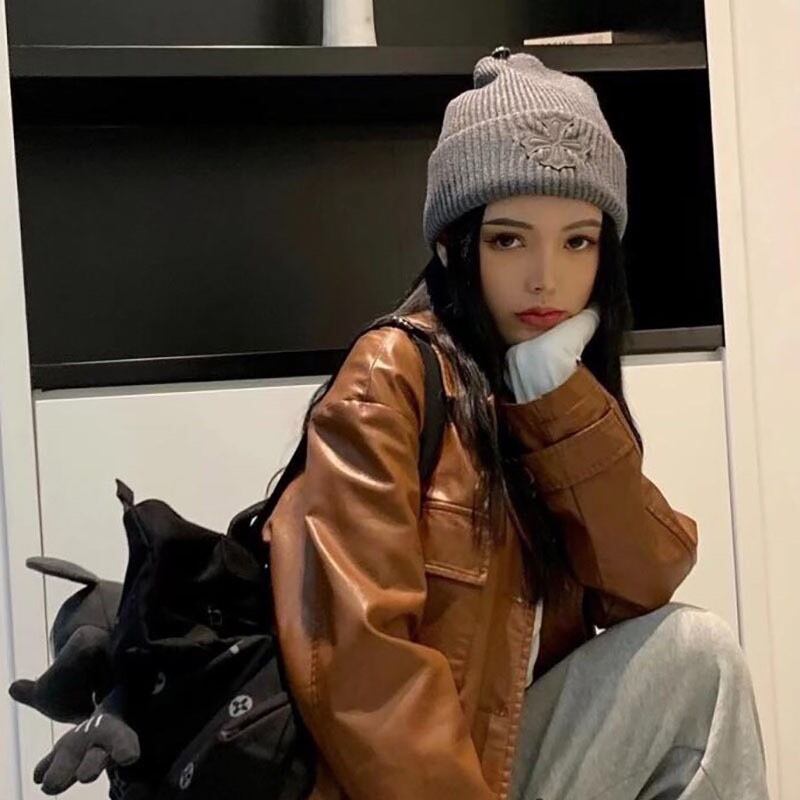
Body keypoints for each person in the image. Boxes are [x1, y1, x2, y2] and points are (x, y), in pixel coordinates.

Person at [263, 47, 769, 800]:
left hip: (509, 760)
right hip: (425, 785)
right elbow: (364, 677)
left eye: (578, 241)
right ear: (453, 245)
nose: (546, 277)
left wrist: (557, 403)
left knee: (699, 656)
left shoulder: (544, 387)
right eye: (509, 239)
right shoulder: (390, 378)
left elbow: (641, 585)